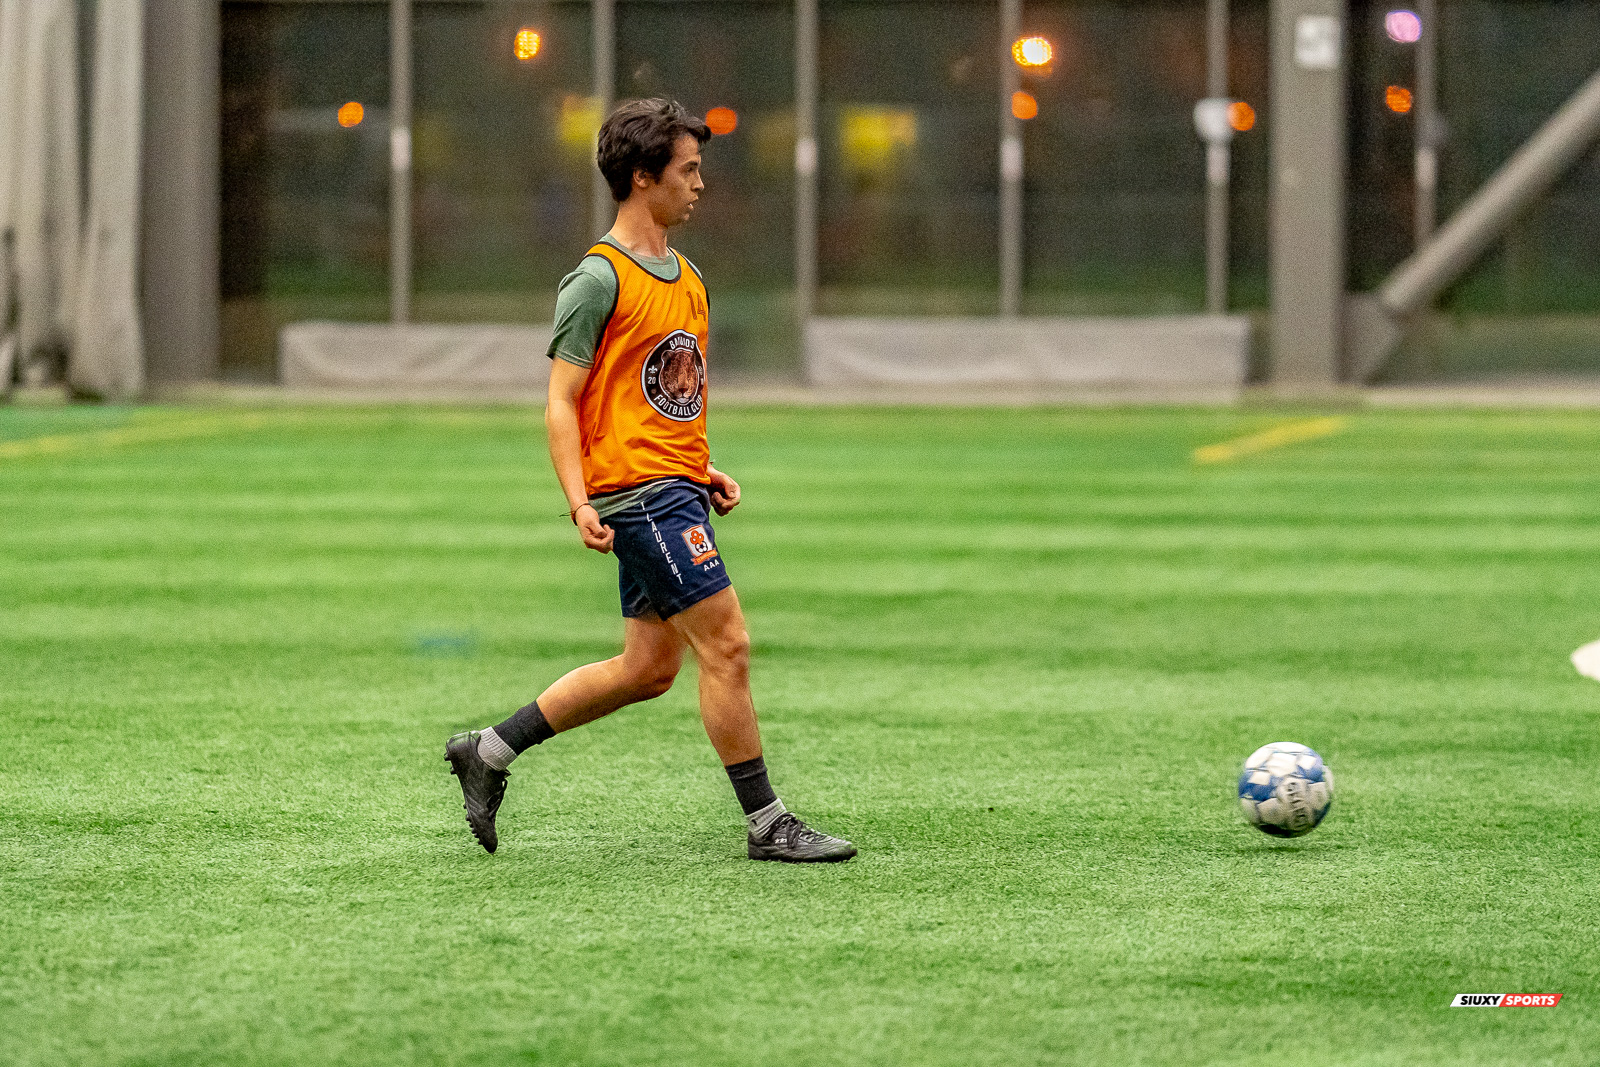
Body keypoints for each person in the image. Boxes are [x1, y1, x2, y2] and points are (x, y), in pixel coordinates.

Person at [445, 98, 855, 863]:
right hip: (637, 497)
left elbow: (667, 394)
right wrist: (578, 502)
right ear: (642, 178)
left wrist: (701, 470)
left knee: (648, 668)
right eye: (688, 170)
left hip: (674, 487)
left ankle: (490, 750)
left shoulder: (689, 277)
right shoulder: (596, 281)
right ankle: (769, 823)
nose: (700, 183)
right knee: (726, 646)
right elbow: (561, 404)